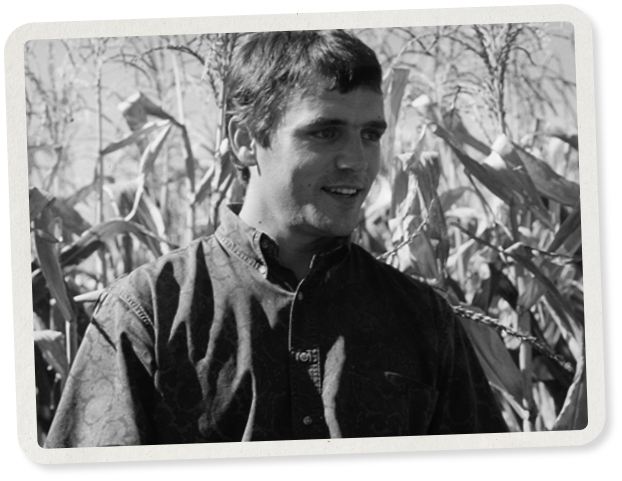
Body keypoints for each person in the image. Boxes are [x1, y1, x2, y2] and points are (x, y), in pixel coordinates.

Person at [44, 30, 508, 447]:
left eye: (370, 134)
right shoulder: (150, 310)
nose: (358, 161)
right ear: (246, 140)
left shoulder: (424, 319)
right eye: (325, 132)